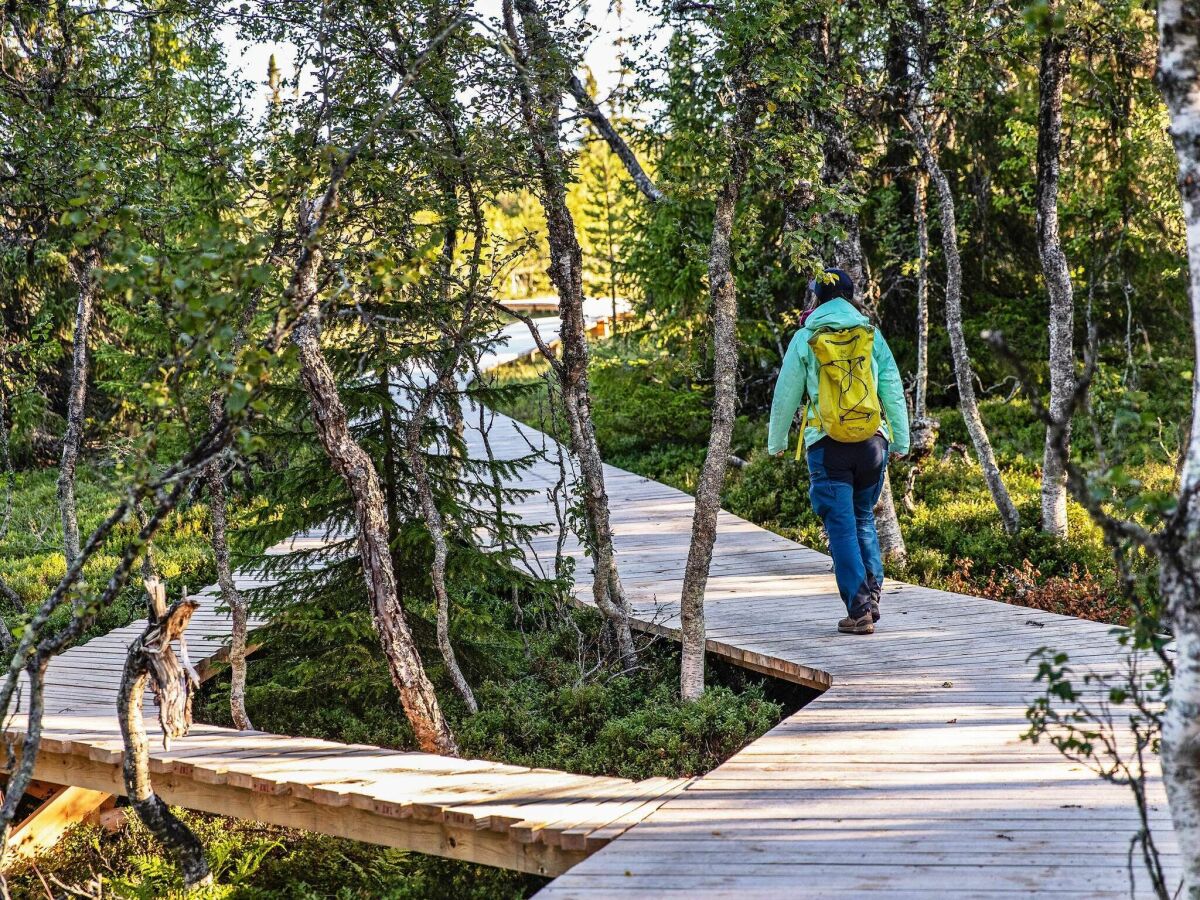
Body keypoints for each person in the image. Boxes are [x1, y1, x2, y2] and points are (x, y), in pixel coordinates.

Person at [767, 268, 909, 635]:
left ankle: (859, 610)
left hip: (827, 445)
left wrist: (777, 442)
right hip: (872, 443)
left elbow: (786, 394)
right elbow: (892, 387)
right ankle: (872, 596)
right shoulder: (869, 334)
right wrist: (902, 440)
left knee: (842, 527)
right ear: (849, 295)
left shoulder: (806, 337)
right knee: (862, 518)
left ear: (816, 296)